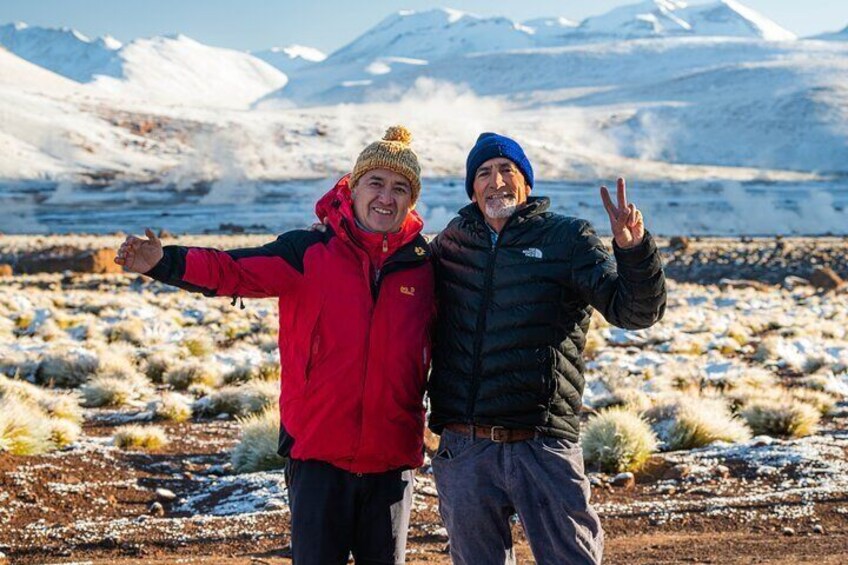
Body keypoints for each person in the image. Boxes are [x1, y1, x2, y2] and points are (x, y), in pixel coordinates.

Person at [115, 126, 435, 565]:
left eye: (400, 188)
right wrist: (166, 262)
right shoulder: (308, 252)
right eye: (376, 182)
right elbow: (233, 270)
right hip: (318, 457)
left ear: (411, 202)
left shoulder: (426, 269)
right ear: (353, 186)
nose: (386, 196)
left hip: (391, 462)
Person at [427, 132, 667, 565]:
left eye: (507, 170)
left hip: (541, 444)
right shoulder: (452, 244)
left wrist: (633, 252)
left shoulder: (567, 239)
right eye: (483, 173)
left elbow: (634, 312)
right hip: (465, 448)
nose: (495, 181)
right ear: (472, 187)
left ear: (526, 183)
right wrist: (330, 233)